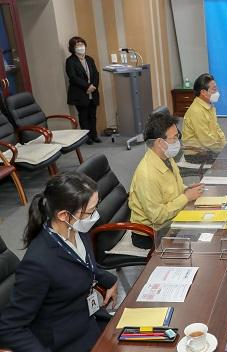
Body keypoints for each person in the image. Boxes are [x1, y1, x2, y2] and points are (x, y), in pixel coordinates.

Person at [0, 173, 118, 352]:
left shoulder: (77, 229)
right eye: (90, 211)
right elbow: (9, 328)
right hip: (67, 341)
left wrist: (108, 279)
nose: (95, 215)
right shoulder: (38, 264)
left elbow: (82, 263)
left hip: (90, 321)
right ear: (64, 215)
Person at [129, 112, 204, 248]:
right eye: (174, 137)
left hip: (170, 220)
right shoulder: (147, 175)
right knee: (201, 241)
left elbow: (171, 187)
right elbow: (157, 216)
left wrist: (186, 189)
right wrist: (186, 197)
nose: (178, 141)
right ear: (160, 142)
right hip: (151, 233)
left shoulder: (166, 158)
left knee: (205, 225)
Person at [65, 36, 101, 145]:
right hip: (80, 93)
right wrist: (87, 86)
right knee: (84, 115)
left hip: (92, 92)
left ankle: (94, 135)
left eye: (82, 44)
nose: (81, 47)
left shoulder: (89, 59)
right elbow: (73, 77)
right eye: (77, 45)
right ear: (73, 48)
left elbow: (96, 74)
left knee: (93, 115)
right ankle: (87, 137)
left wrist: (93, 86)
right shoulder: (70, 61)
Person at [182, 73, 226, 155]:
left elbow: (217, 130)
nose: (217, 92)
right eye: (213, 89)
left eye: (216, 89)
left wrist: (225, 146)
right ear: (203, 92)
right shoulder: (196, 111)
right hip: (196, 154)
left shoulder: (209, 105)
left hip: (209, 149)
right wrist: (223, 151)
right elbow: (206, 140)